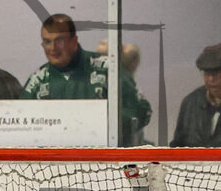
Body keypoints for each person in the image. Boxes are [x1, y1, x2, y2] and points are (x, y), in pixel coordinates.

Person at [22, 15, 150, 143]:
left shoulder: (108, 69)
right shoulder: (37, 81)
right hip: (53, 161)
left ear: (74, 41)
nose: (53, 48)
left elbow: (142, 111)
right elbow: (19, 126)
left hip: (107, 159)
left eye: (59, 40)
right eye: (47, 42)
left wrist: (97, 123)